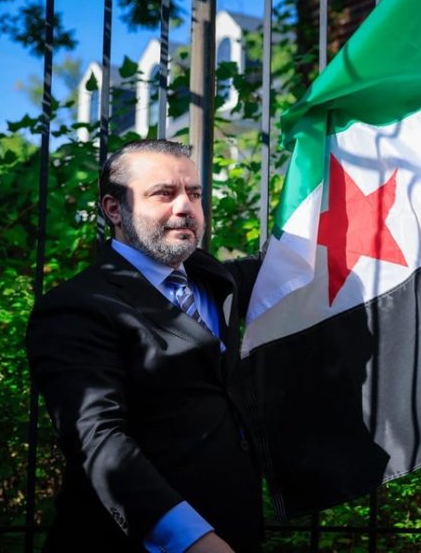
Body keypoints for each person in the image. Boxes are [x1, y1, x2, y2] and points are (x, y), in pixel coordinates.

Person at [26, 139, 262, 553]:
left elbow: (297, 264)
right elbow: (98, 439)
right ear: (114, 209)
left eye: (194, 194)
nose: (185, 207)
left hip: (235, 530)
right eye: (164, 194)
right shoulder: (78, 307)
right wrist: (190, 539)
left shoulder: (213, 279)